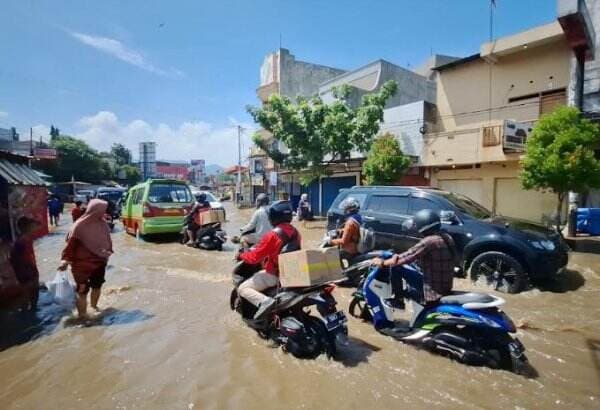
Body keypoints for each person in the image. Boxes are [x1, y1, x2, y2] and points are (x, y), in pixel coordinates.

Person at [371, 209, 456, 308]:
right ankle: (408, 294)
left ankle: (398, 300)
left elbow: (405, 258)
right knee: (412, 268)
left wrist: (382, 263)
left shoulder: (429, 241)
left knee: (395, 267)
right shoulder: (447, 237)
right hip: (445, 287)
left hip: (433, 291)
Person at [238, 200, 301, 319]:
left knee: (243, 288)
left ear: (273, 217)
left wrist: (241, 255)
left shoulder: (272, 235)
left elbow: (254, 258)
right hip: (291, 274)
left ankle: (265, 302)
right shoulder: (296, 232)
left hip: (274, 275)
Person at [58, 199, 113, 319]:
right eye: (102, 210)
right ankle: (82, 316)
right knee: (82, 290)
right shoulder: (79, 226)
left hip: (99, 263)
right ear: (95, 210)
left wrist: (107, 253)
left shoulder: (102, 224)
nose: (104, 212)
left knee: (97, 286)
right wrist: (65, 261)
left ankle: (94, 308)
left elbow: (108, 242)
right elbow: (70, 246)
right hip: (81, 266)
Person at [10, 217, 41, 310]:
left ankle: (30, 311)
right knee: (29, 294)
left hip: (28, 270)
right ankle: (28, 314)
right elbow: (16, 259)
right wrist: (29, 272)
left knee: (32, 294)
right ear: (27, 227)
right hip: (26, 271)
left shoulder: (26, 239)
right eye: (32, 226)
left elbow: (39, 223)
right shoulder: (21, 242)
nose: (35, 227)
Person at [329, 197, 362, 264]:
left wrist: (330, 241)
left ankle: (337, 273)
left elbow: (344, 241)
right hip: (356, 247)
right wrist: (340, 230)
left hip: (349, 251)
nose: (344, 211)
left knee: (331, 255)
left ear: (349, 210)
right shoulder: (358, 218)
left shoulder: (350, 223)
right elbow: (353, 231)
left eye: (345, 209)